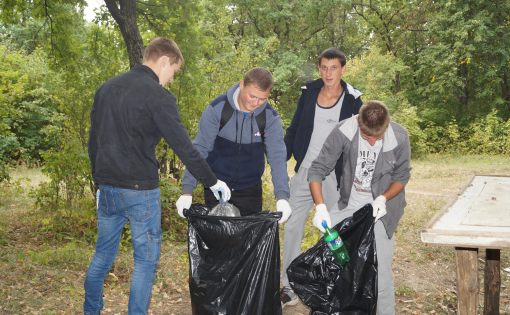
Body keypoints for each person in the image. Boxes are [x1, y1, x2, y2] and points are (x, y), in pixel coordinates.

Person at [85, 37, 230, 315]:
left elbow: (95, 141)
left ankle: (91, 310)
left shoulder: (106, 89)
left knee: (102, 255)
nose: (171, 80)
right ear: (164, 61)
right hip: (141, 191)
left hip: (108, 189)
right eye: (173, 71)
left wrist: (99, 181)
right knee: (145, 262)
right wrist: (212, 181)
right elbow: (183, 146)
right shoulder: (157, 96)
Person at [308, 100, 411, 314]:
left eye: (378, 137)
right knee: (328, 259)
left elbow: (402, 176)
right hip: (348, 205)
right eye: (367, 137)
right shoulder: (344, 131)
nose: (373, 142)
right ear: (358, 122)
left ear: (386, 126)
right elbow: (317, 169)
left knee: (380, 272)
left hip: (382, 210)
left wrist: (382, 198)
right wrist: (320, 208)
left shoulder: (399, 137)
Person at [280, 47, 363, 305]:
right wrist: (279, 158)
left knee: (334, 229)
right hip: (305, 170)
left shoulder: (353, 100)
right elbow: (294, 129)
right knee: (291, 225)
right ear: (319, 69)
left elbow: (357, 142)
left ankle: (332, 286)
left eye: (334, 68)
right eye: (324, 67)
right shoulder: (309, 93)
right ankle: (288, 287)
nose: (328, 73)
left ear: (343, 69)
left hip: (334, 175)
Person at [175, 67, 292, 223]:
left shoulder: (269, 118)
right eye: (252, 96)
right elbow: (200, 149)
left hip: (250, 190)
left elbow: (277, 157)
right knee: (217, 244)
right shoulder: (218, 109)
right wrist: (187, 191)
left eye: (262, 99)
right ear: (242, 84)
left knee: (247, 245)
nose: (256, 103)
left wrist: (282, 197)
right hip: (216, 187)